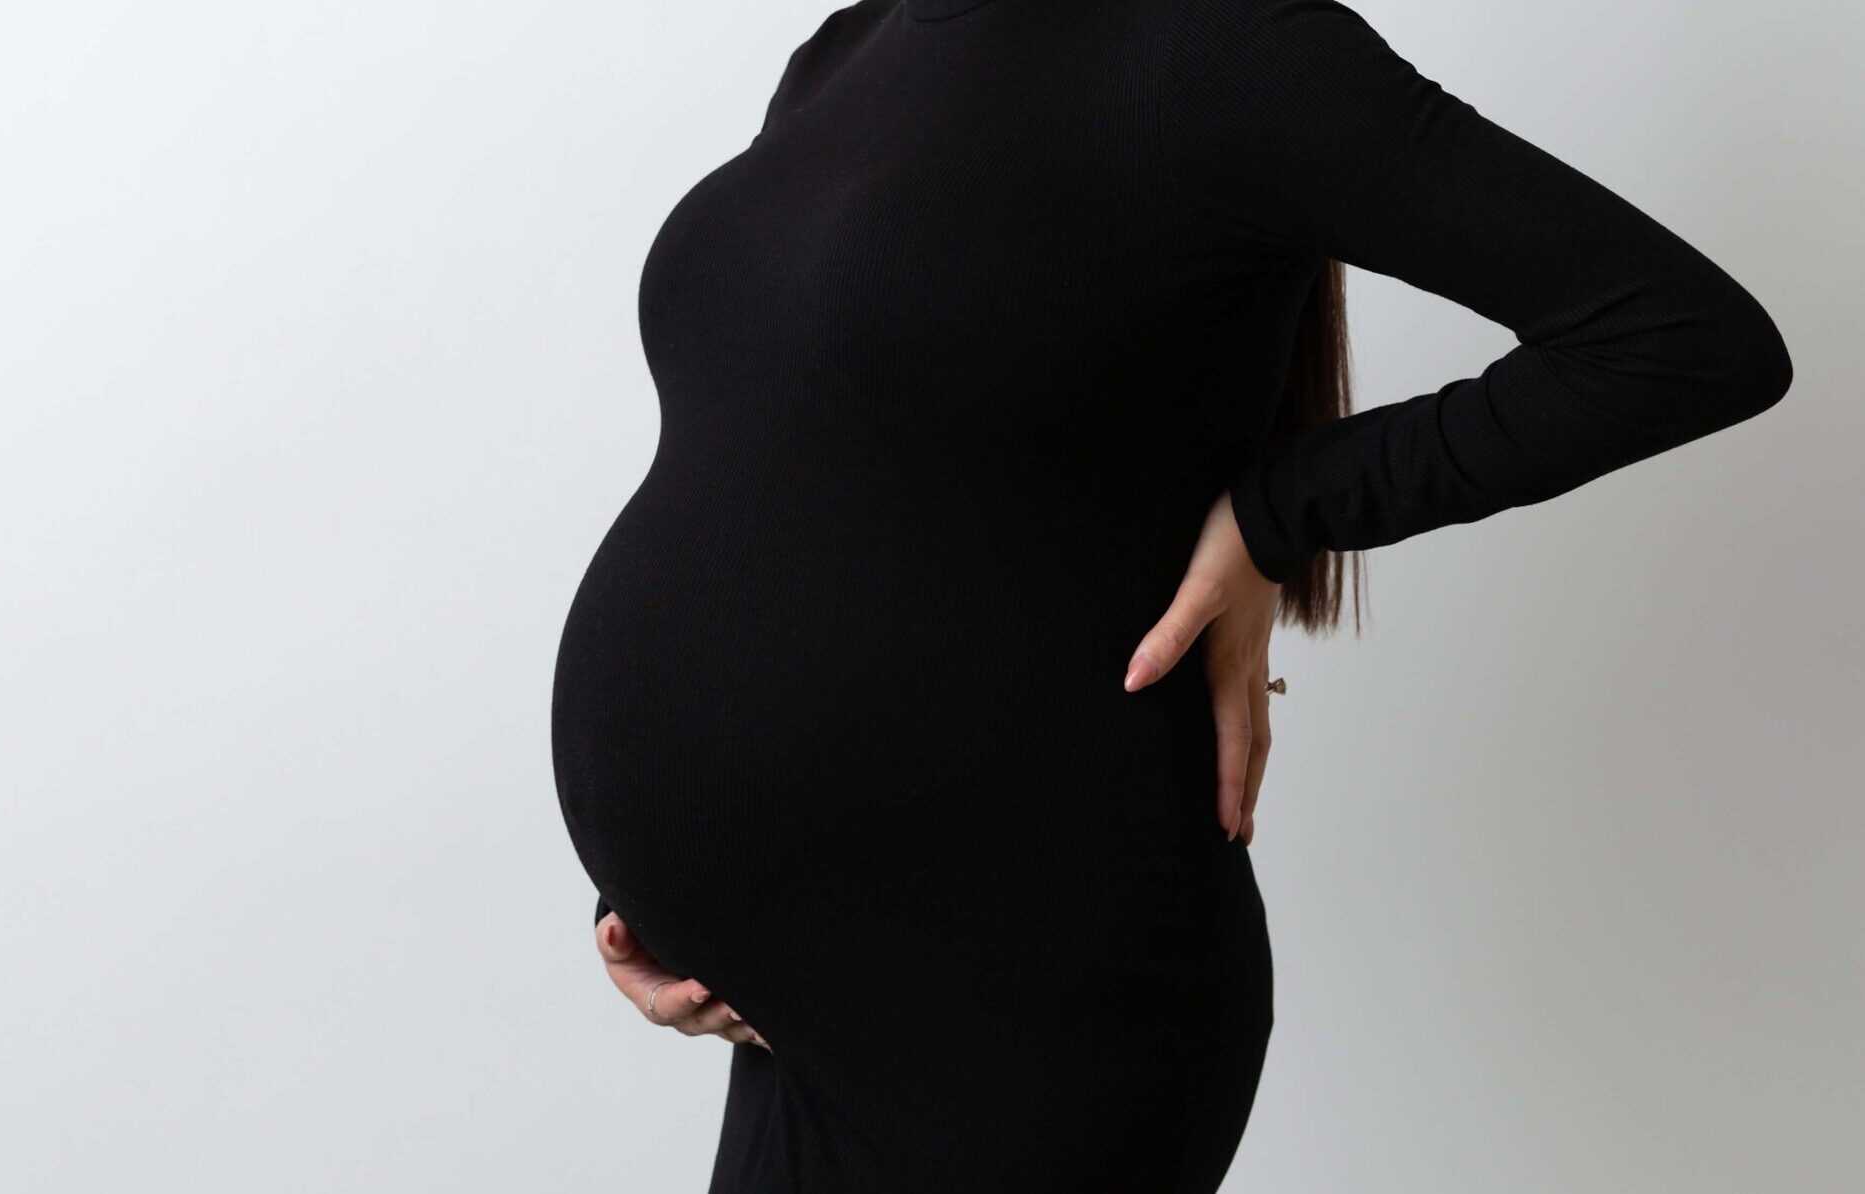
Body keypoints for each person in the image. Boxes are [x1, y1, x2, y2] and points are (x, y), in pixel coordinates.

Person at [549, 1, 1793, 1189]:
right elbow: (814, 470)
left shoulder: (1229, 44)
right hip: (799, 1005)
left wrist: (1277, 514)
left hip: (1023, 990)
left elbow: (1681, 337)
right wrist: (664, 887)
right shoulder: (845, 50)